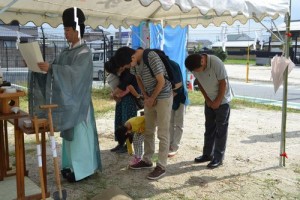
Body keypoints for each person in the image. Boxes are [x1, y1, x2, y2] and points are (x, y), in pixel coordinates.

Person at [28, 7, 101, 182]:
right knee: (70, 141)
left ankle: (85, 170)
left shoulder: (85, 52)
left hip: (80, 104)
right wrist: (39, 68)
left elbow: (77, 74)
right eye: (64, 30)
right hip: (69, 102)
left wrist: (53, 68)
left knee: (81, 139)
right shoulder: (66, 51)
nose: (65, 33)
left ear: (77, 30)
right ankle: (70, 167)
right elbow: (54, 70)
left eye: (67, 30)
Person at [115, 47, 173, 180]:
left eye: (127, 65)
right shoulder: (134, 63)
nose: (128, 68)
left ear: (132, 57)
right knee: (148, 130)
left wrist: (152, 98)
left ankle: (161, 166)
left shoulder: (151, 56)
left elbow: (161, 81)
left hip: (163, 96)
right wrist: (146, 97)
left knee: (163, 132)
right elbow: (139, 79)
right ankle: (147, 160)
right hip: (150, 98)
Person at [184, 53, 233, 169]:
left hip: (223, 101)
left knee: (221, 130)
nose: (198, 72)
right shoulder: (194, 66)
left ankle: (218, 158)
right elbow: (199, 83)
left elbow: (223, 83)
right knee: (209, 128)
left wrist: (217, 101)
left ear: (202, 61)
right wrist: (207, 100)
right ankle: (207, 154)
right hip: (210, 101)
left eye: (198, 69)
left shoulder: (216, 62)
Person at [104, 55, 140, 154]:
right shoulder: (122, 71)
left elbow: (125, 86)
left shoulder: (130, 71)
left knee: (127, 123)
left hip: (130, 99)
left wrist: (114, 94)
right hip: (122, 99)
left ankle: (128, 145)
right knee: (119, 120)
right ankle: (120, 143)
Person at [168, 60, 189, 157]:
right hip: (170, 97)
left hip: (180, 98)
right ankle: (169, 144)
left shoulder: (173, 67)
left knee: (179, 124)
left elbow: (179, 88)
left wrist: (167, 98)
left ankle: (175, 146)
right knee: (170, 122)